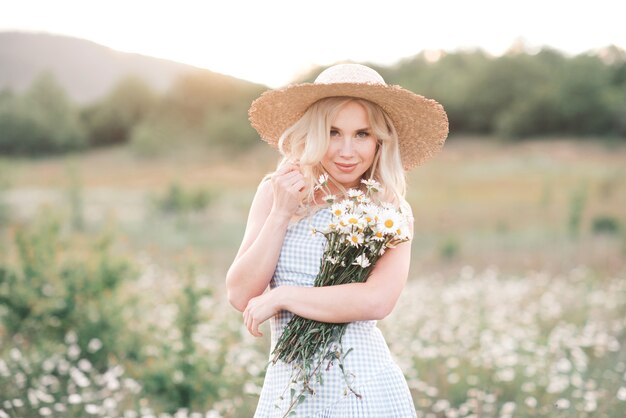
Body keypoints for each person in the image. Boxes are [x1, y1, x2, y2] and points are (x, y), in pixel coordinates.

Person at [226, 63, 448, 417]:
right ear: (314, 133)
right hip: (288, 390)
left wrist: (283, 296)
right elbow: (240, 294)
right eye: (333, 132)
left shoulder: (389, 209)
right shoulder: (276, 192)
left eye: (362, 134)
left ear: (379, 141)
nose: (347, 150)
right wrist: (281, 213)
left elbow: (377, 300)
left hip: (364, 391)